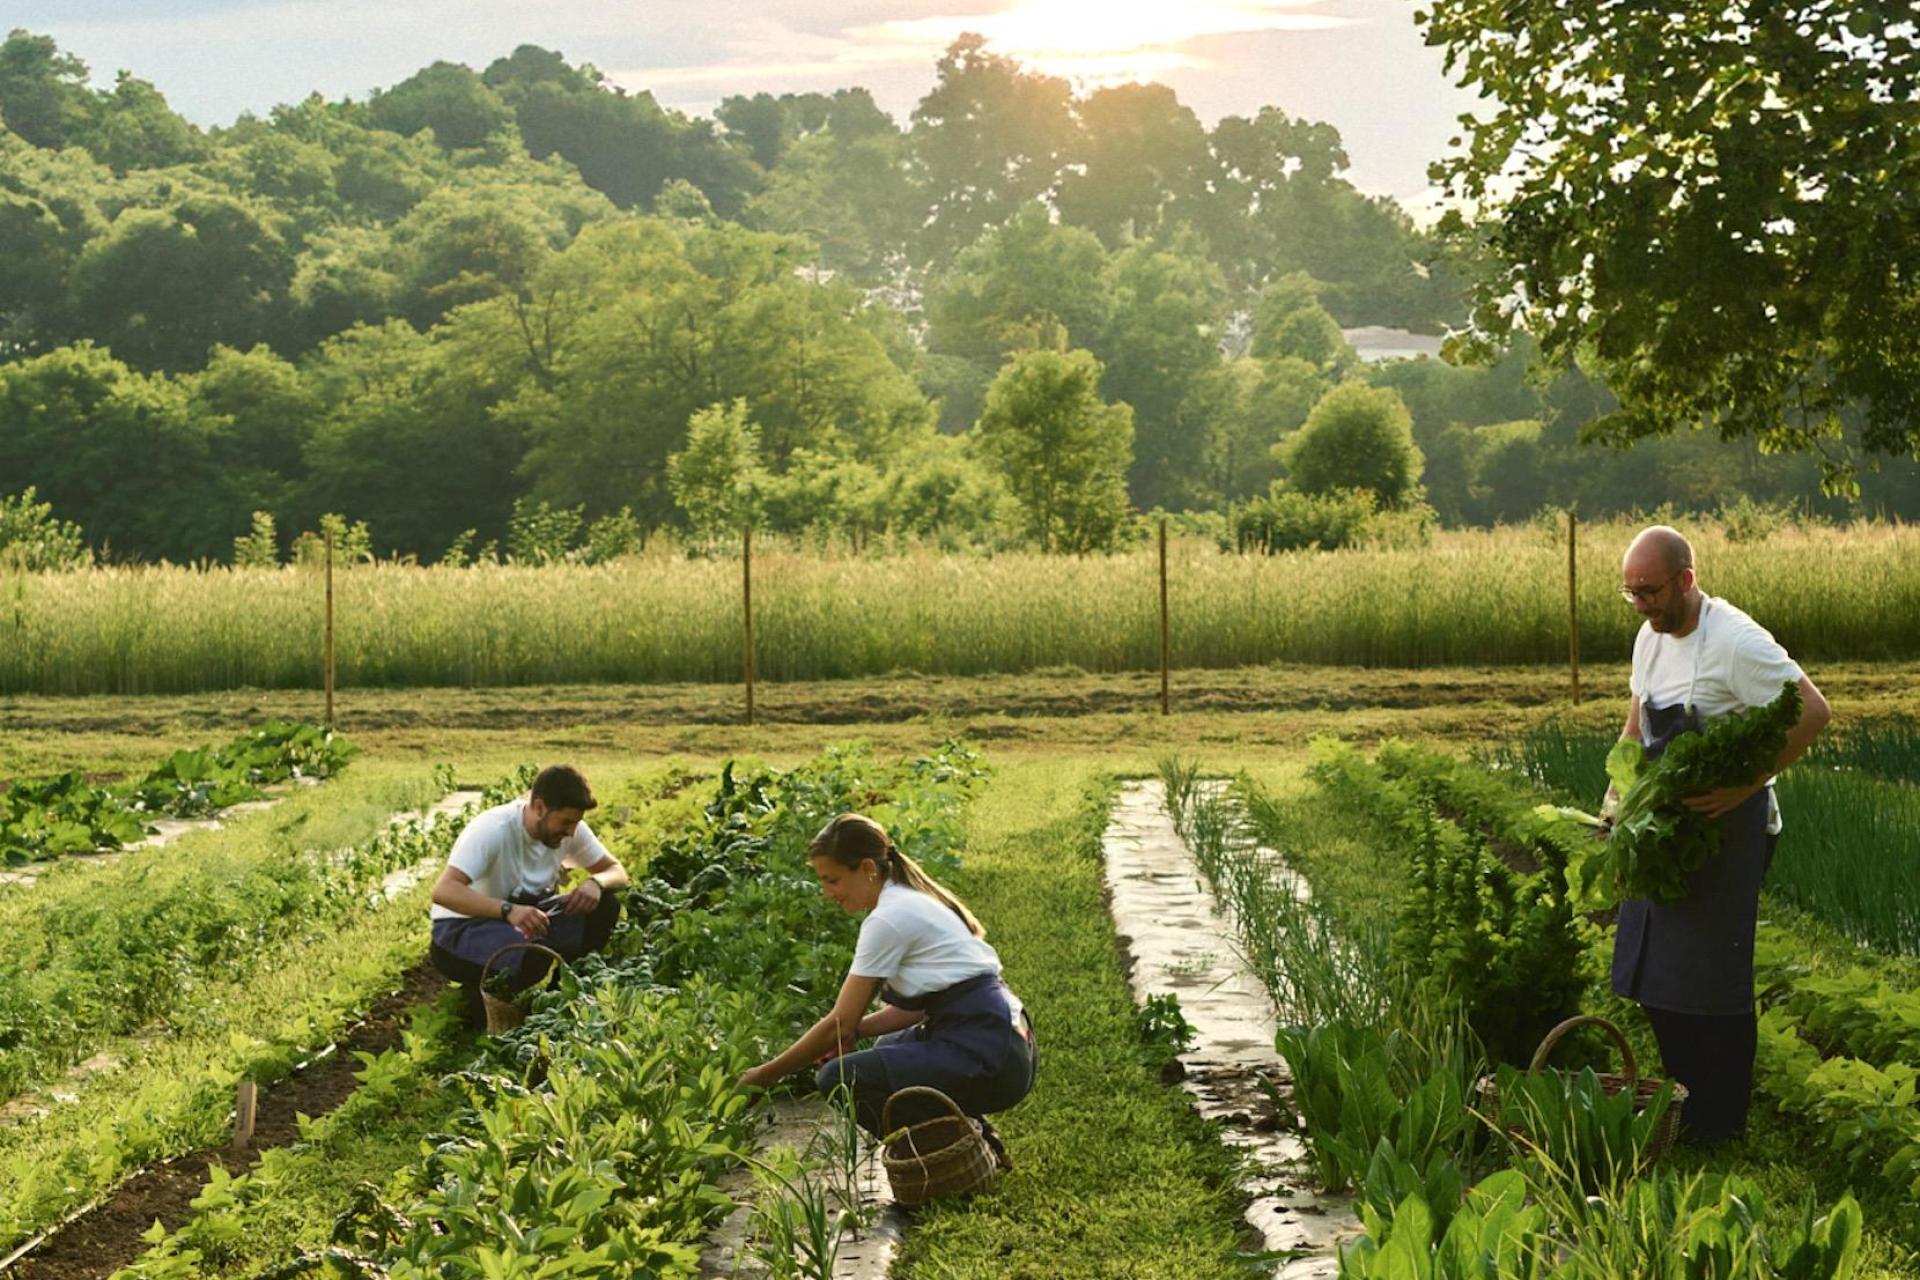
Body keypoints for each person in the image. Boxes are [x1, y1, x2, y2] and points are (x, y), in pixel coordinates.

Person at [1608, 525, 1829, 1145]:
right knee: (1651, 973)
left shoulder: (1735, 640)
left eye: (1649, 590)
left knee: (1712, 982)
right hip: (1666, 833)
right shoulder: (1648, 640)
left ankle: (1722, 1123)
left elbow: (1813, 710)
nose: (1642, 604)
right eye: (1631, 593)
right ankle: (1687, 1100)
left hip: (1728, 832)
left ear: (1686, 579)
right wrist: (1614, 807)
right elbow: (1634, 728)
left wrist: (1747, 784)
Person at [740, 814, 1036, 1169]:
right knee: (889, 1047)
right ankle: (976, 1139)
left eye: (832, 880)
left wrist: (763, 1077)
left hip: (991, 1057)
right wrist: (856, 1032)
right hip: (1009, 1045)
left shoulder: (887, 919)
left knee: (838, 1078)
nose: (827, 893)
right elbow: (914, 1011)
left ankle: (938, 1162)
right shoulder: (912, 899)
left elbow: (840, 1023)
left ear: (867, 868)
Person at [428, 764, 628, 1026]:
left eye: (576, 822)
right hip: (463, 928)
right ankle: (482, 1007)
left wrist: (596, 883)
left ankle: (559, 999)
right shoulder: (493, 830)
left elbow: (617, 872)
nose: (571, 831)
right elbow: (444, 891)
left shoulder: (572, 830)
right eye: (566, 822)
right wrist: (508, 910)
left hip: (524, 916)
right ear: (540, 807)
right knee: (529, 952)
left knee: (604, 905)